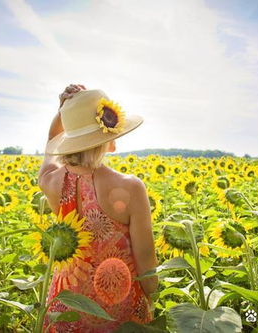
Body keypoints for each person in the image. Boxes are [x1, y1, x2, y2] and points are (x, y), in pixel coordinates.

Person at [38, 84, 158, 332]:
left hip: (66, 309)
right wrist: (152, 300)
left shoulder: (51, 181)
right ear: (109, 140)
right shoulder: (131, 187)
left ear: (69, 140)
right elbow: (145, 257)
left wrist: (63, 113)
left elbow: (49, 153)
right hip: (119, 308)